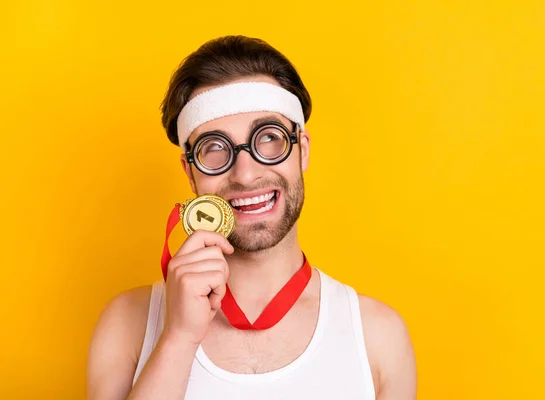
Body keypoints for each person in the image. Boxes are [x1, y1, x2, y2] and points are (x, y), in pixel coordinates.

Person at [87, 35, 416, 400]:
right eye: (215, 148)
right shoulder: (127, 325)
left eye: (268, 138)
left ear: (301, 150)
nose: (245, 174)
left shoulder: (377, 337)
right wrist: (179, 338)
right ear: (189, 171)